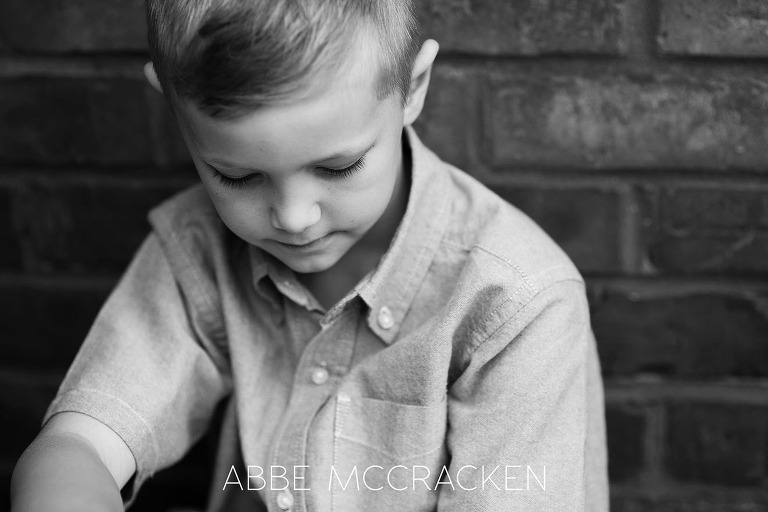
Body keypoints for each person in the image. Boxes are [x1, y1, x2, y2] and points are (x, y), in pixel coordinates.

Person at [10, 0, 608, 510]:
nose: (294, 218)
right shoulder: (201, 248)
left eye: (338, 166)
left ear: (412, 89)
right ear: (172, 107)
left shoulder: (518, 303)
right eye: (237, 176)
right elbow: (82, 443)